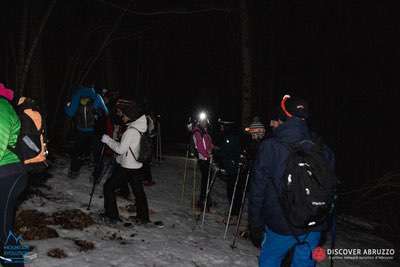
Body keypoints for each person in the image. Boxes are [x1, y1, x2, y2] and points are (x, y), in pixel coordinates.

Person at [248, 95, 335, 267]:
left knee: (270, 260)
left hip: (280, 224)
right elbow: (329, 189)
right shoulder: (323, 150)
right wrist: (324, 225)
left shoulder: (270, 147)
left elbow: (257, 190)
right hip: (314, 224)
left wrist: (255, 225)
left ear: (284, 117)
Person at [100, 102, 150, 224]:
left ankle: (112, 216)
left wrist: (107, 140)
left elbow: (120, 149)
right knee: (139, 192)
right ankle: (143, 217)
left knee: (108, 187)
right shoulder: (140, 128)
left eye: (125, 115)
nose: (123, 117)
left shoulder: (131, 131)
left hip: (128, 167)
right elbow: (128, 148)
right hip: (137, 165)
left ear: (131, 116)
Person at [0, 83, 27, 267]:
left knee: (3, 228)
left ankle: (15, 262)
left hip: (9, 175)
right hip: (5, 173)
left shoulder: (1, 108)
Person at [64, 86, 108, 178]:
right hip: (94, 130)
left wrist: (66, 106)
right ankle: (96, 175)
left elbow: (70, 113)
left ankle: (73, 172)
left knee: (78, 151)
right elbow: (106, 112)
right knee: (97, 153)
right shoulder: (97, 97)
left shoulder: (76, 96)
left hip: (81, 130)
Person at [214, 118, 242, 221]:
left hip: (233, 168)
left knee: (233, 191)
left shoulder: (230, 136)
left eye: (222, 126)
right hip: (231, 166)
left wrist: (215, 151)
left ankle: (234, 214)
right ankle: (234, 212)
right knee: (232, 190)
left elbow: (227, 151)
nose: (220, 127)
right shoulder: (229, 136)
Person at [191, 113, 214, 210]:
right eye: (203, 121)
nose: (205, 123)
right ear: (200, 122)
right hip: (203, 159)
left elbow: (209, 143)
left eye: (206, 121)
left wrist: (212, 149)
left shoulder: (205, 131)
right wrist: (207, 155)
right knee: (206, 180)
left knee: (208, 180)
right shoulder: (197, 132)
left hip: (207, 158)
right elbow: (200, 147)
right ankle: (203, 200)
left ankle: (206, 198)